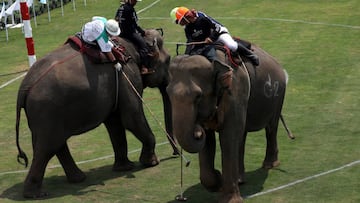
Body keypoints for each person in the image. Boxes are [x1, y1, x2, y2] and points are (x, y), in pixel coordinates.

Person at [170, 7, 259, 66]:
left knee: (232, 45)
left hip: (219, 33)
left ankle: (251, 55)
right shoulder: (187, 27)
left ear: (185, 17)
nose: (180, 24)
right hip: (204, 40)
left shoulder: (201, 17)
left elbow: (216, 27)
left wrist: (211, 38)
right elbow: (190, 41)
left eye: (180, 21)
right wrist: (186, 55)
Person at [115, 0, 154, 74]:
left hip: (120, 32)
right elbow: (135, 24)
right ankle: (144, 67)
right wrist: (143, 32)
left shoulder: (121, 7)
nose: (135, 2)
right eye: (134, 1)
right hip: (129, 33)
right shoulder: (130, 9)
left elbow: (116, 19)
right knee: (144, 46)